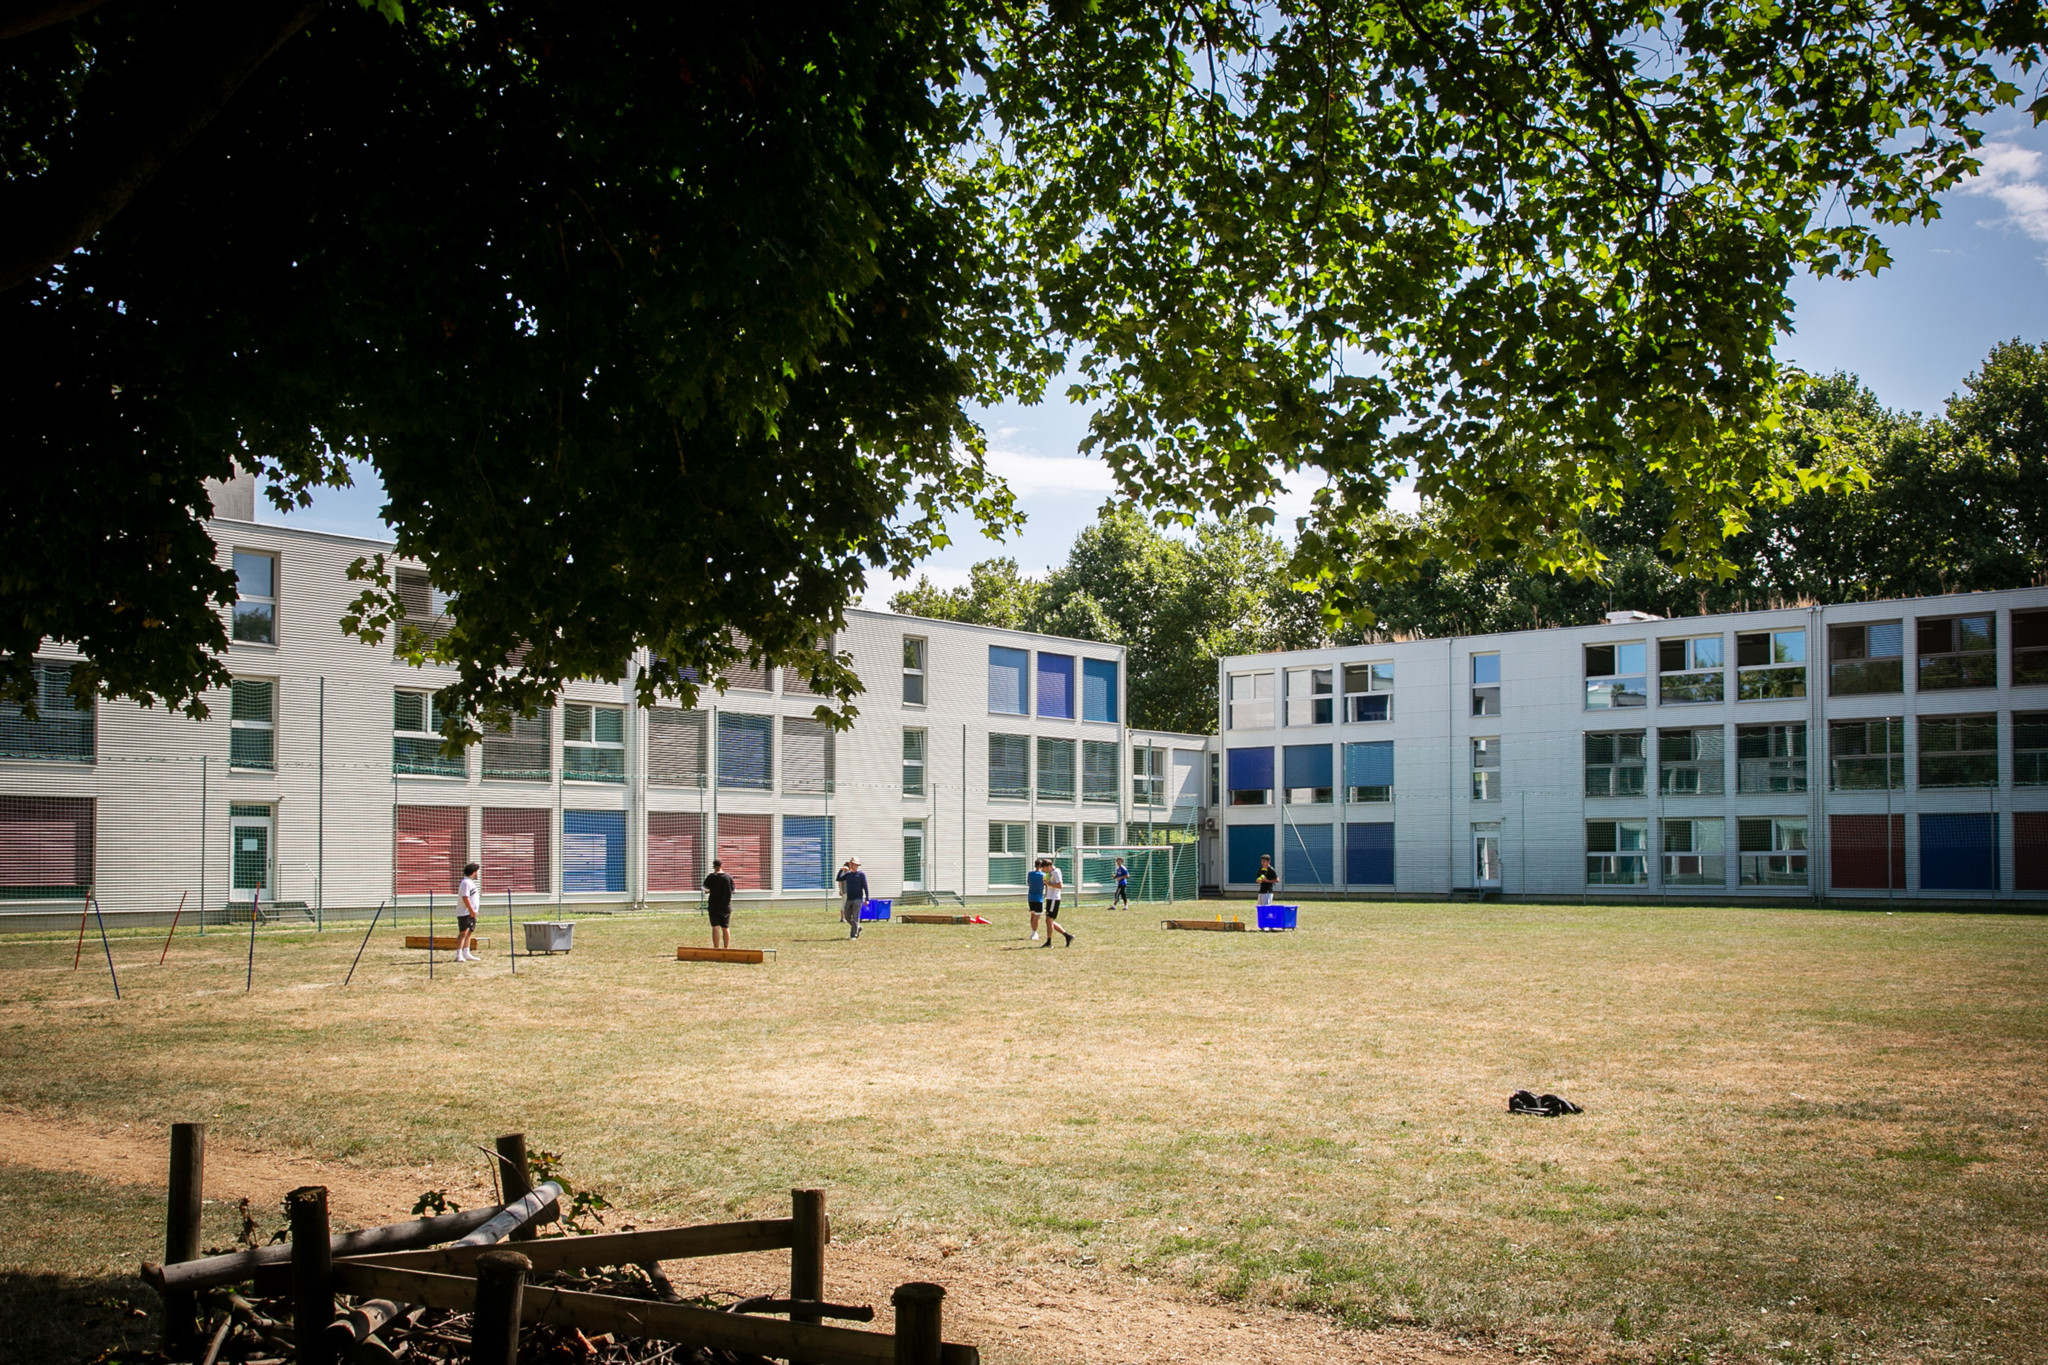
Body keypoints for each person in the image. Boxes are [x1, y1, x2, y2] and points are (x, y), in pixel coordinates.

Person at [702, 858, 736, 949]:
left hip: (714, 906)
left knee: (715, 927)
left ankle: (716, 948)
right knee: (725, 927)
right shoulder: (728, 877)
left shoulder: (711, 877)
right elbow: (733, 891)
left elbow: (705, 889)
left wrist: (711, 890)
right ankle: (726, 948)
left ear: (714, 866)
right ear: (722, 865)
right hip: (726, 906)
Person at [836, 857, 869, 938]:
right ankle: (857, 927)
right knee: (847, 916)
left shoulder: (861, 875)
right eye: (851, 864)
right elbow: (838, 878)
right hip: (849, 898)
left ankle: (853, 935)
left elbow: (865, 886)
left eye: (853, 864)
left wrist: (867, 898)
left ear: (857, 865)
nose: (851, 865)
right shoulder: (848, 874)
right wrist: (841, 870)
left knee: (855, 917)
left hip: (858, 899)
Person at [454, 862, 481, 962]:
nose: (477, 874)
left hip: (471, 912)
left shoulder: (470, 883)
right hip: (464, 912)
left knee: (469, 932)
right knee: (463, 933)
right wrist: (471, 910)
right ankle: (458, 955)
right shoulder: (465, 883)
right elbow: (465, 897)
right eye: (477, 871)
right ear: (473, 872)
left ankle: (466, 952)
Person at [1026, 857, 1046, 941]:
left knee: (1033, 914)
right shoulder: (1044, 875)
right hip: (1039, 898)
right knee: (1037, 916)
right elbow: (1047, 884)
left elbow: (1029, 884)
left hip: (1031, 897)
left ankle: (1034, 931)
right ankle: (1033, 933)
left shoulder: (1030, 874)